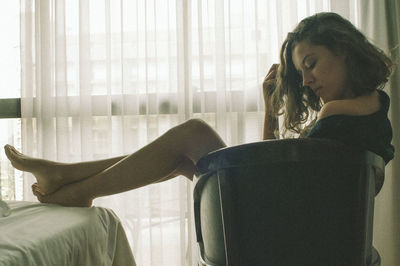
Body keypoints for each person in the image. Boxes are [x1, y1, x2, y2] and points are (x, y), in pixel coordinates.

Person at [4, 12, 395, 207]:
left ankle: (72, 186)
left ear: (343, 49)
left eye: (310, 64)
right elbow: (280, 171)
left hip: (275, 222)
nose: (307, 81)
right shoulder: (376, 108)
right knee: (176, 157)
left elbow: (274, 174)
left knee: (192, 133)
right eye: (301, 70)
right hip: (283, 217)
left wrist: (270, 114)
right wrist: (270, 112)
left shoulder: (337, 113)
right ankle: (68, 179)